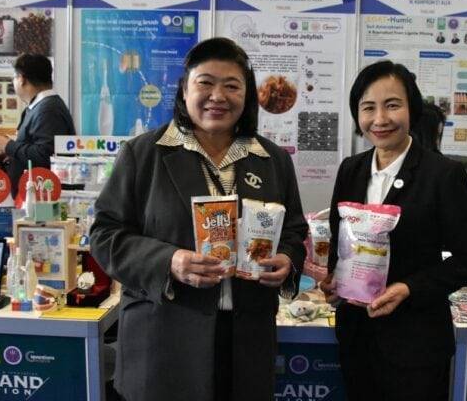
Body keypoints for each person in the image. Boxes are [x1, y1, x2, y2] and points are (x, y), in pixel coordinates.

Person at [90, 37, 307, 401]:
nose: (217, 96)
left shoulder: (272, 159)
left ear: (246, 95)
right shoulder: (144, 154)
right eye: (205, 82)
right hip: (164, 341)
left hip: (246, 344)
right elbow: (105, 234)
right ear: (184, 89)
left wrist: (287, 259)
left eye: (232, 86)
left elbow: (295, 230)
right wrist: (168, 261)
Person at [320, 60, 467, 401]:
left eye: (392, 105)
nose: (380, 119)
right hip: (357, 337)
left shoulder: (443, 174)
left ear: (412, 109)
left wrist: (408, 288)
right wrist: (334, 278)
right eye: (368, 107)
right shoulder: (351, 170)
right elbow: (341, 241)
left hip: (416, 344)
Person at [0, 54, 75, 198]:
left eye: (14, 77)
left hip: (45, 199)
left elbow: (45, 156)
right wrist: (10, 154)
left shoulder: (48, 110)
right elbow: (35, 148)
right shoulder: (39, 107)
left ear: (22, 79)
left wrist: (9, 146)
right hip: (33, 197)